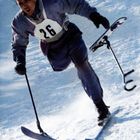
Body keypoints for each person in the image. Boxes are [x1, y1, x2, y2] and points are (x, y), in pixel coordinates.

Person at [12, 0, 110, 125]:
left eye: (27, 0)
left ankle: (100, 106)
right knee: (59, 66)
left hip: (70, 36)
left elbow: (76, 5)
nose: (24, 5)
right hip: (53, 48)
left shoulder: (52, 3)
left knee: (81, 64)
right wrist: (20, 60)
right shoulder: (19, 21)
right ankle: (76, 63)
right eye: (20, 3)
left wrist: (94, 15)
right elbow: (18, 41)